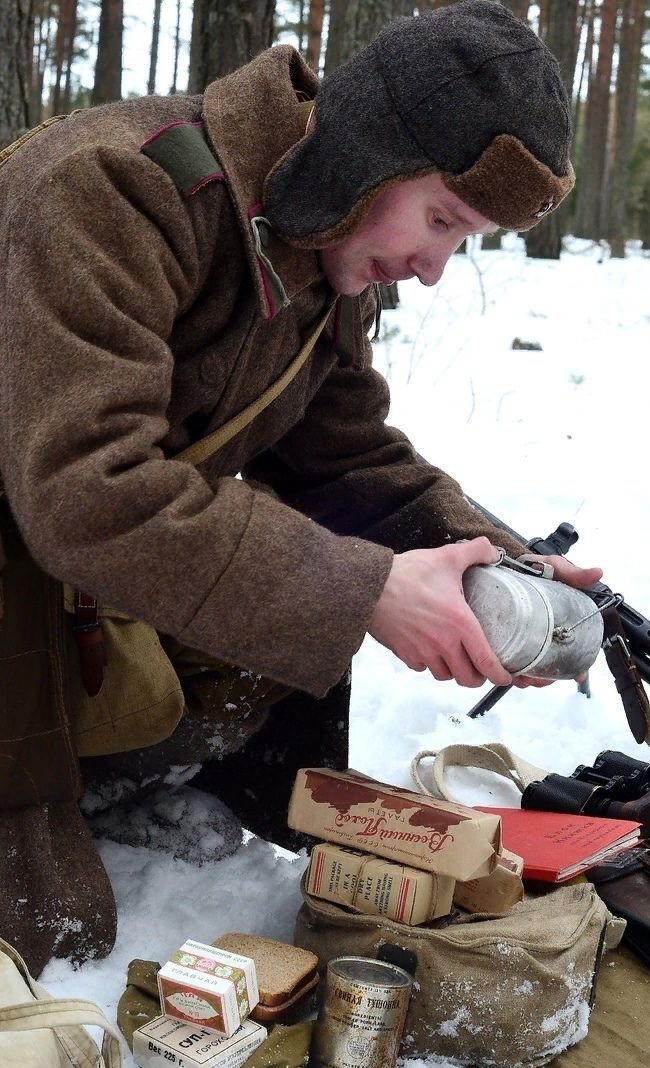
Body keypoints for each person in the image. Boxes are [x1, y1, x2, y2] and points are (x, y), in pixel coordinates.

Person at [0, 0, 600, 974]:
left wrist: (500, 568)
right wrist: (365, 590)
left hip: (54, 569)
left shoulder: (311, 251)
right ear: (366, 155)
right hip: (30, 548)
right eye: (442, 218)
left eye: (466, 238)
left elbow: (349, 463)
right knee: (50, 937)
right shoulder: (120, 189)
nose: (436, 268)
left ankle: (97, 769)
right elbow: (85, 489)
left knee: (296, 573)